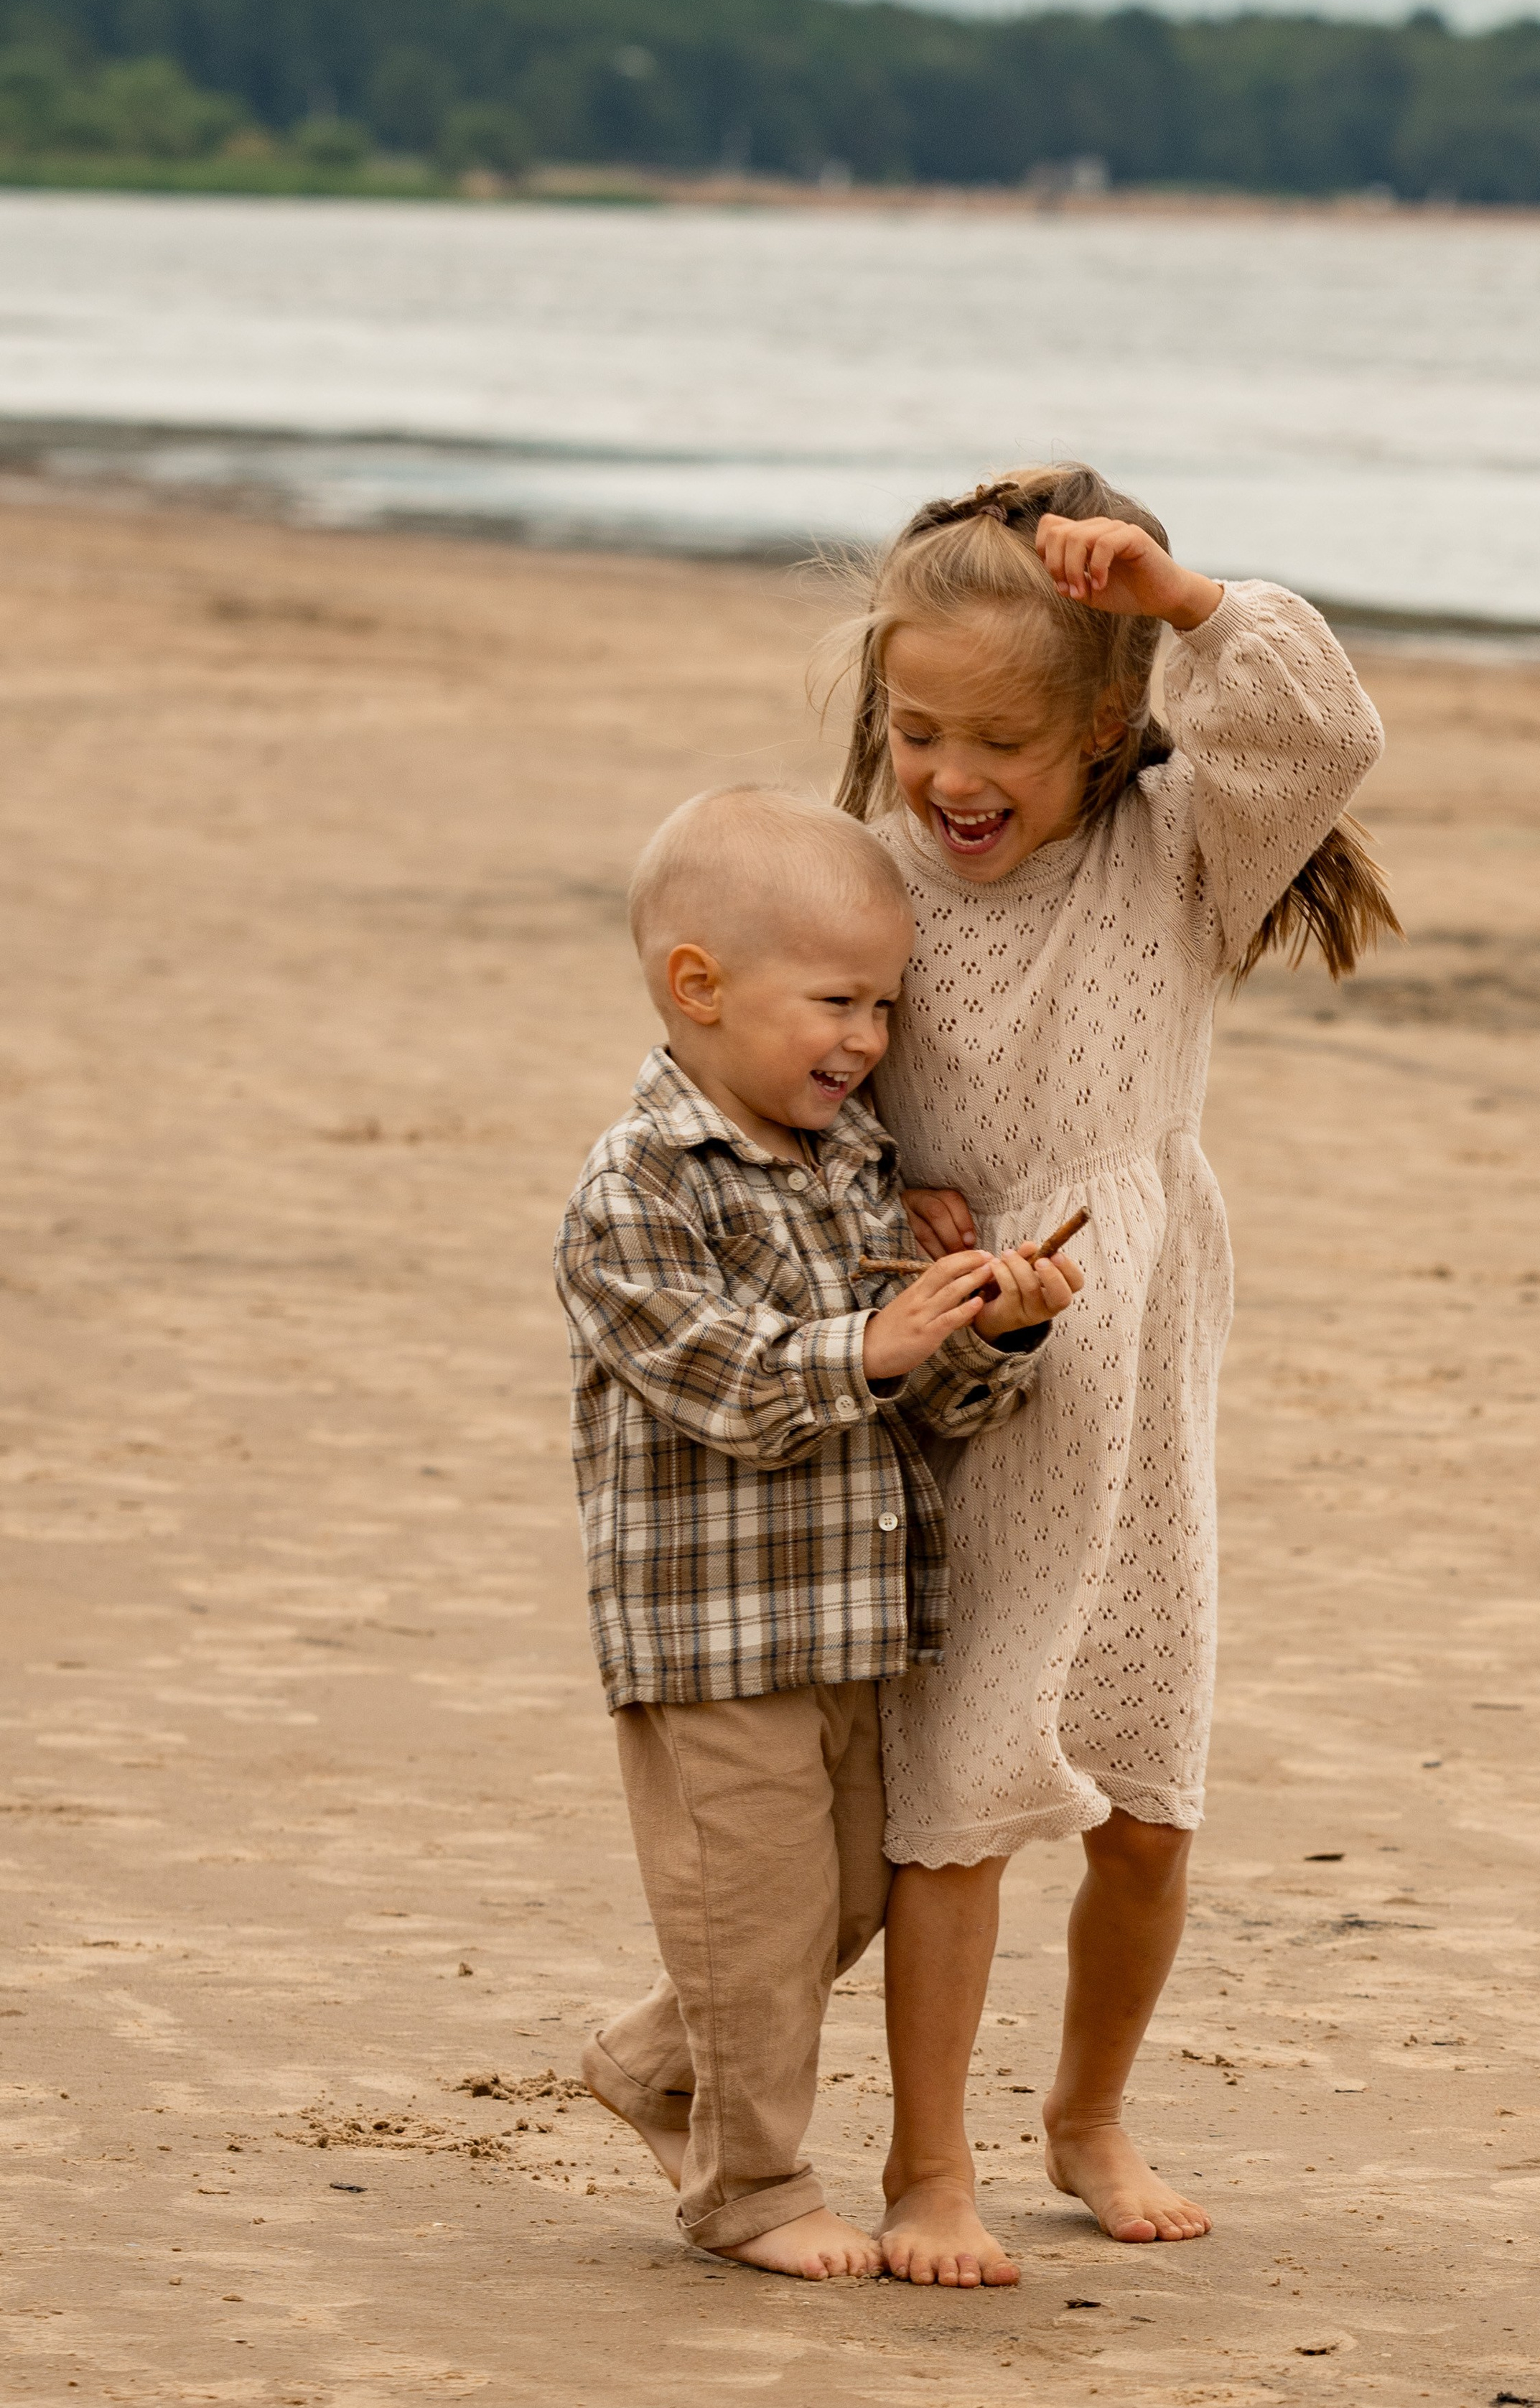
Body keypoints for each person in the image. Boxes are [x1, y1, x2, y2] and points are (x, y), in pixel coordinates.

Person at [823, 462, 1392, 2286]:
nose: (952, 776)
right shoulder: (868, 884)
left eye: (1001, 736)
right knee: (962, 1790)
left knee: (1145, 1797)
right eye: (918, 730)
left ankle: (1087, 2111)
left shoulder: (1182, 861)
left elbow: (1321, 729)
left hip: (1136, 1375)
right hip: (965, 1380)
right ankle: (929, 2166)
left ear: (1103, 733)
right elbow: (763, 1068)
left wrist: (1177, 599)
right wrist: (876, 1190)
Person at [554, 784, 1082, 2280]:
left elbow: (920, 1407)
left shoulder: (850, 1162)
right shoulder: (637, 1188)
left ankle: (661, 2062)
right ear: (697, 987)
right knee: (759, 1904)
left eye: (884, 1007)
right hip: (712, 1631)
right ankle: (749, 2188)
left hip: (851, 1615)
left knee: (840, 1897)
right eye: (835, 1002)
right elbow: (721, 1382)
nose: (865, 1040)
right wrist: (871, 1342)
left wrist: (992, 1333)